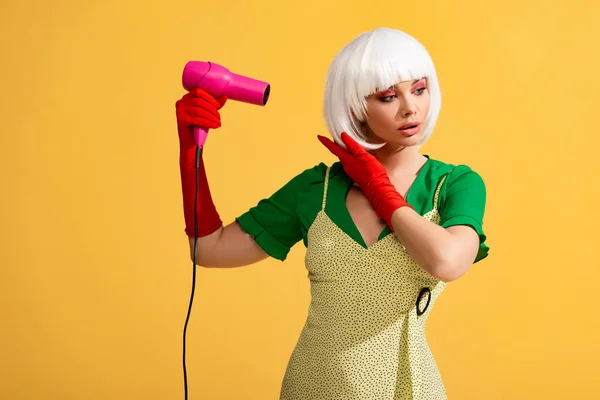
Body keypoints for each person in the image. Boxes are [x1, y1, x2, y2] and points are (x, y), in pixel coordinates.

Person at [175, 27, 489, 400]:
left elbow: (448, 262)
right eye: (388, 96)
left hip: (406, 388)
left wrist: (381, 193)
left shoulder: (454, 184)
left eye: (419, 89)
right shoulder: (316, 190)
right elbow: (208, 249)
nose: (410, 107)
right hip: (313, 385)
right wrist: (189, 152)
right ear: (356, 106)